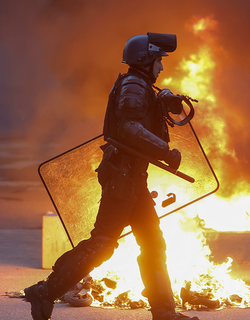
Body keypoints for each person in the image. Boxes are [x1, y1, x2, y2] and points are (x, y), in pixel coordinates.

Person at [24, 33, 198, 320]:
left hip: (132, 179)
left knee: (153, 243)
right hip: (122, 178)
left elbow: (138, 117)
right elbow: (128, 127)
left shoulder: (140, 85)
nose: (162, 67)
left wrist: (163, 100)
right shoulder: (133, 85)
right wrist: (165, 152)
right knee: (103, 244)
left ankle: (165, 314)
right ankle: (44, 292)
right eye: (159, 61)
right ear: (145, 60)